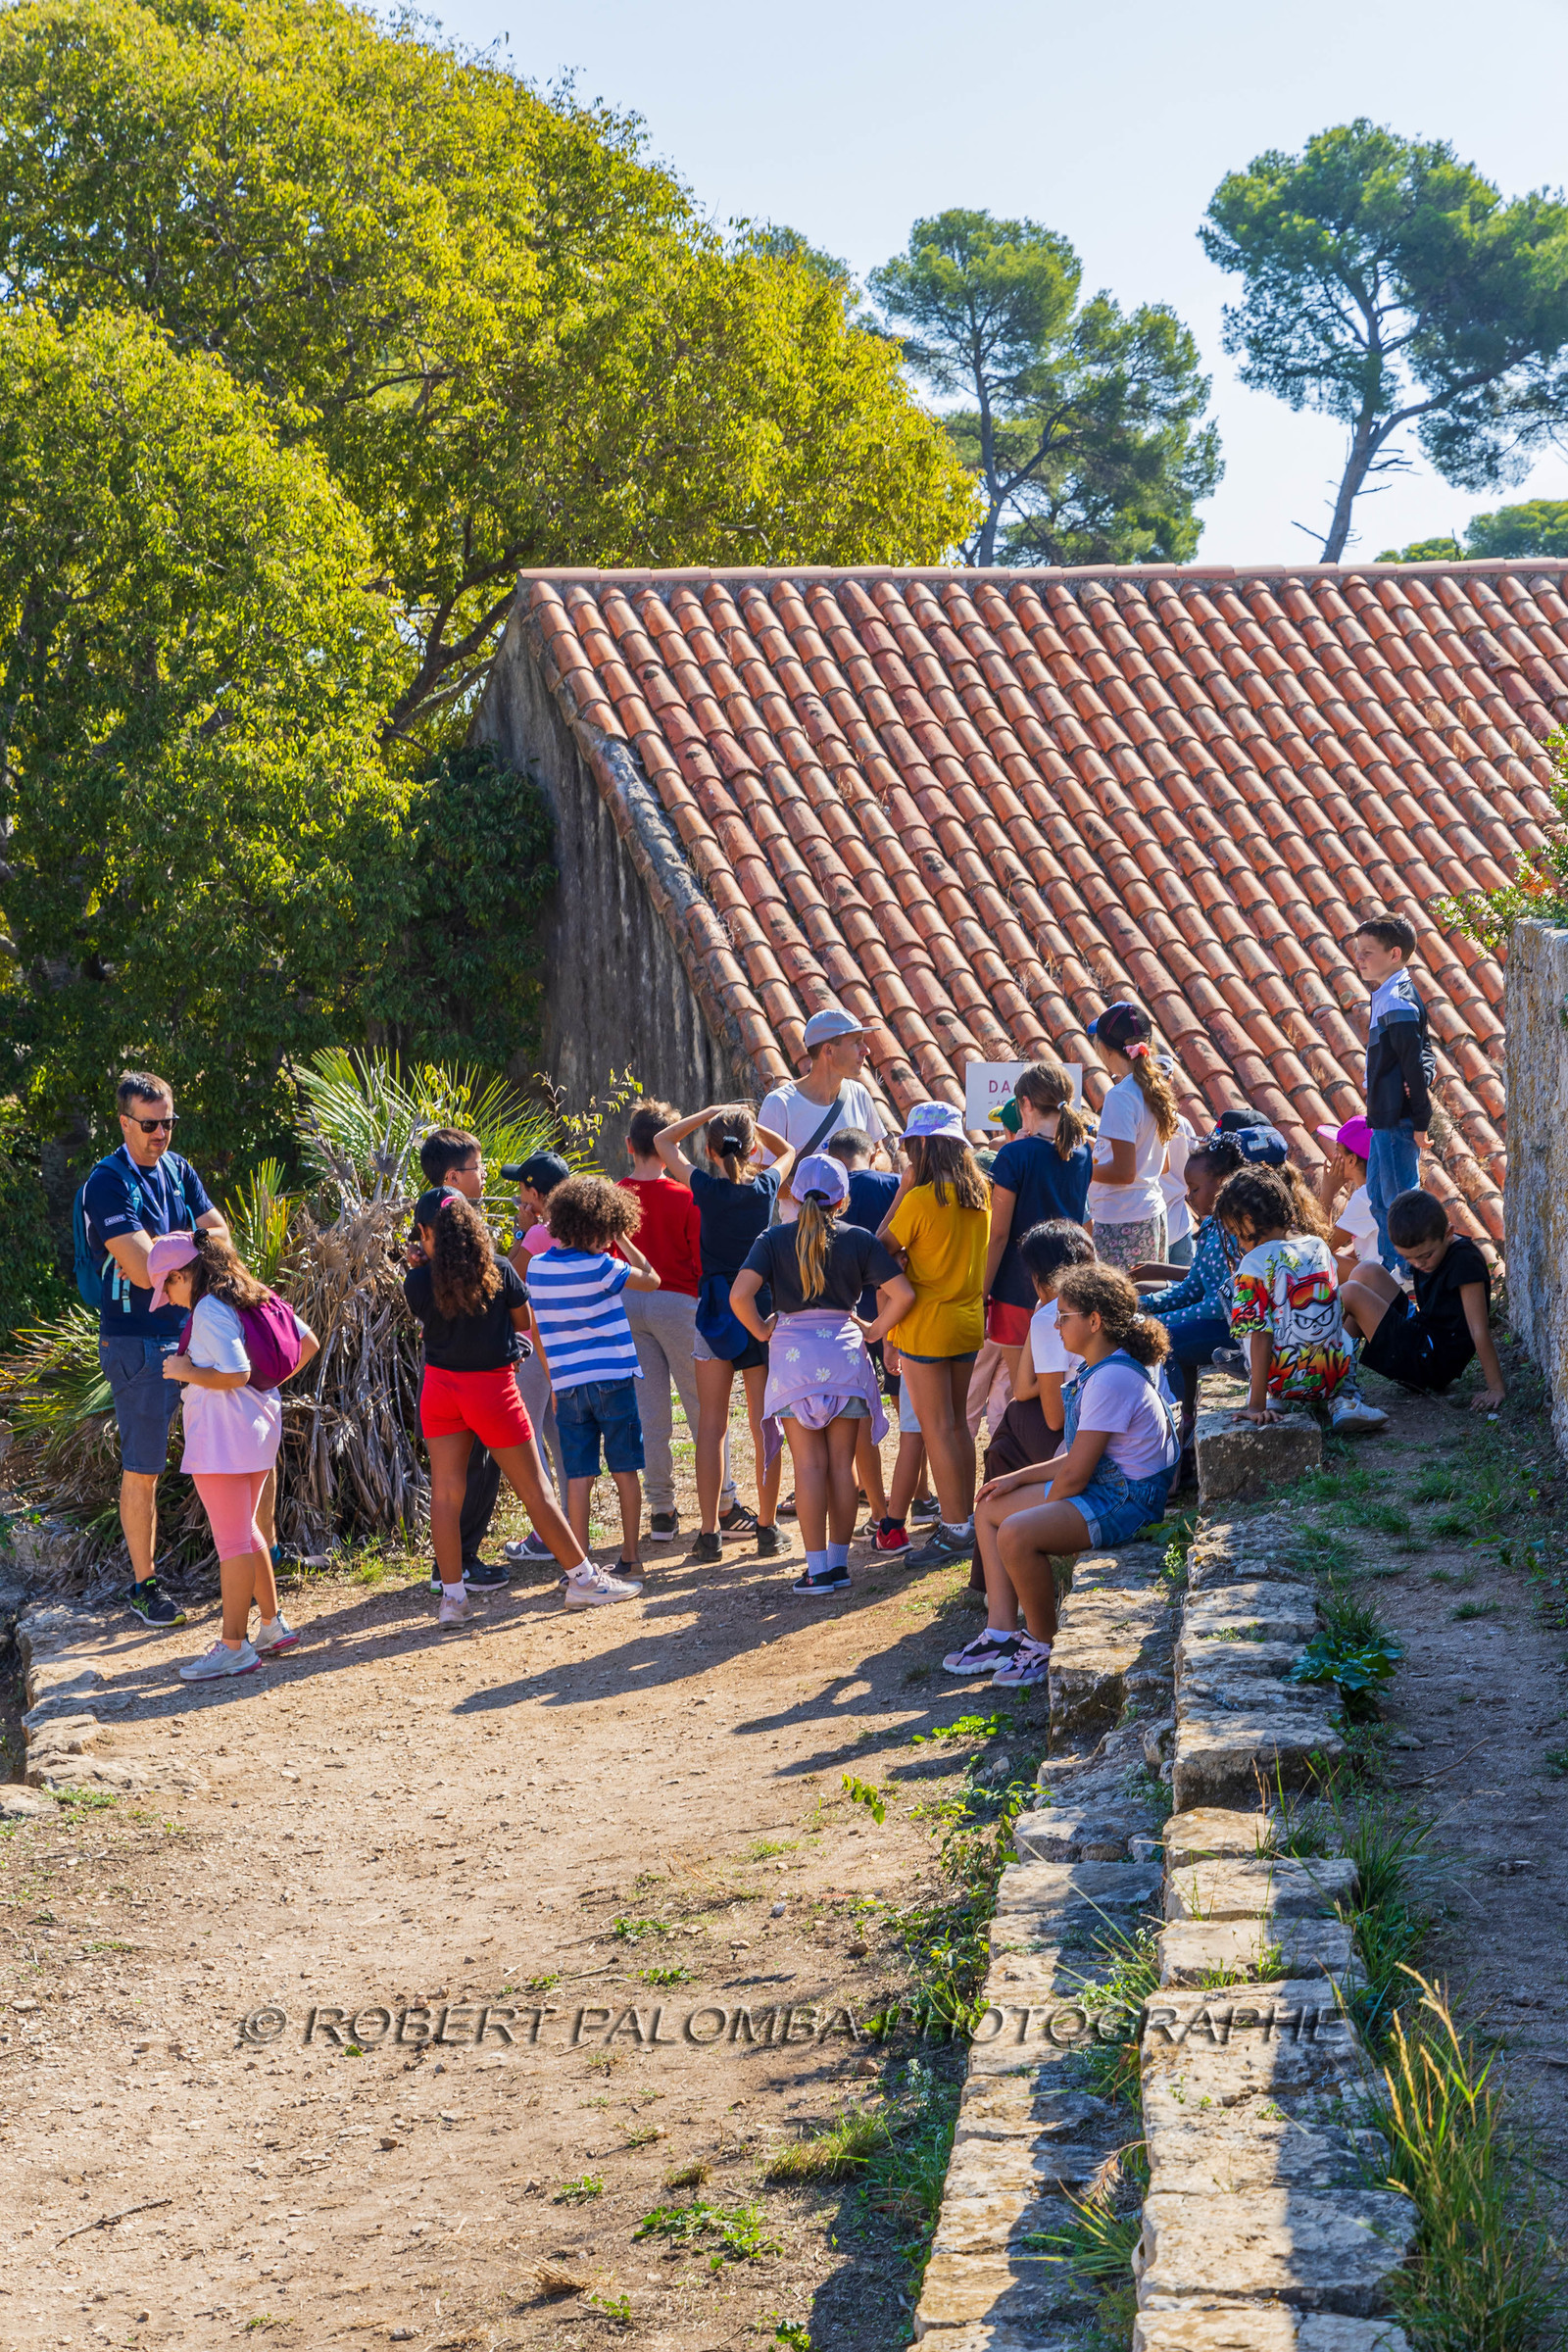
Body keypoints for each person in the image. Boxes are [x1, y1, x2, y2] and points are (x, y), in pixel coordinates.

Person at [947, 1265, 1180, 1688]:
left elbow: (1076, 1473)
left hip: (1126, 1502)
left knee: (1016, 1534)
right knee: (990, 1506)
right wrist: (1018, 1480)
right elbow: (1077, 1457)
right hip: (1108, 1487)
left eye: (1064, 1315)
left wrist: (1036, 1514)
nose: (1055, 1325)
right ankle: (1001, 1632)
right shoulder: (1101, 1368)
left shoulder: (1111, 1378)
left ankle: (1041, 1642)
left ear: (1094, 1321)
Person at [405, 1192, 610, 1619]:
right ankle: (584, 1580)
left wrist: (421, 1268)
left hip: (441, 1389)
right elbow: (523, 1324)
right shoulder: (498, 1271)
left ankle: (453, 1598)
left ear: (426, 1234)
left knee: (445, 1494)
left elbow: (431, 1313)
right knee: (536, 1489)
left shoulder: (418, 1282)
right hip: (492, 1390)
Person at [81, 1070, 230, 1628]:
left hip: (196, 1329)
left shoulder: (179, 1169)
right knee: (144, 1468)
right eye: (150, 1124)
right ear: (125, 1123)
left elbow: (225, 1236)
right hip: (136, 1341)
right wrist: (199, 1246)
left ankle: (244, 1558)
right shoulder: (107, 1182)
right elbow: (146, 1272)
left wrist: (186, 1247)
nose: (162, 1133)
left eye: (168, 1121)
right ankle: (144, 1586)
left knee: (223, 1450)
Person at [730, 1153, 912, 1597]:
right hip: (846, 1358)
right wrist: (873, 1330)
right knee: (841, 1466)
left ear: (792, 1194)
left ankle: (815, 1572)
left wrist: (762, 1328)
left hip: (794, 1361)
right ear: (843, 1199)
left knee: (808, 1466)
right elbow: (903, 1294)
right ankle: (838, 1564)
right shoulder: (861, 1240)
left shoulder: (772, 1239)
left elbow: (740, 1295)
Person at [147, 1232, 318, 1678]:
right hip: (260, 1431)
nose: (167, 1299)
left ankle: (233, 1646)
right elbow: (309, 1343)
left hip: (221, 1440)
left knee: (232, 1543)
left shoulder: (207, 1308)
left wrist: (187, 1371)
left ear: (183, 1274)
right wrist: (268, 1383)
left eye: (167, 1286)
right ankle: (271, 1625)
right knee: (246, 1531)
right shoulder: (253, 1292)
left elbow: (236, 1372)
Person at [655, 1104, 796, 1560]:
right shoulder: (765, 1188)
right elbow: (788, 1149)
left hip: (714, 1313)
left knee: (711, 1428)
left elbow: (662, 1143)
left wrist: (709, 1113)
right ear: (751, 1148)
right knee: (764, 1426)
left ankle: (710, 1533)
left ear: (710, 1152)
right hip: (759, 1311)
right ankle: (769, 1528)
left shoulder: (705, 1188)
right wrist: (753, 1126)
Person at [528, 1175, 661, 1584]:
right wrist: (625, 1240)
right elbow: (652, 1278)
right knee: (625, 1469)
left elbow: (541, 1332)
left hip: (567, 1385)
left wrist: (553, 1382)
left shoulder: (536, 1268)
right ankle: (630, 1557)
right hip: (614, 1380)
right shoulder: (604, 1266)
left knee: (578, 1476)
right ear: (602, 1226)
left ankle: (580, 1568)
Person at [619, 1099, 739, 1542]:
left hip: (631, 1302)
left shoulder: (615, 1194)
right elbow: (698, 1256)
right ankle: (724, 1501)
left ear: (629, 1144)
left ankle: (662, 1509)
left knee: (651, 1414)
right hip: (679, 1301)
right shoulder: (688, 1194)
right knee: (705, 1410)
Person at [881, 1102, 991, 1569]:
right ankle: (962, 1520)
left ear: (923, 1145)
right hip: (967, 1323)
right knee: (957, 1427)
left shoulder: (921, 1200)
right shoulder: (980, 1194)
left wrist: (901, 1192)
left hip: (927, 1327)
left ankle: (955, 1529)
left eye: (909, 1146)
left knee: (937, 1429)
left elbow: (876, 1251)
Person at [407, 1128, 512, 1592]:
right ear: (452, 1176)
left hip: (453, 1377)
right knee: (469, 1470)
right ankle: (457, 1563)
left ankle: (458, 1565)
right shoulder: (441, 1227)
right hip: (468, 1378)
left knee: (473, 1469)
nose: (484, 1176)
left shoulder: (435, 1226)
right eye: (476, 1168)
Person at [1215, 1166, 1386, 1434]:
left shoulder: (1252, 1264)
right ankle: (1345, 1401)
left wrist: (1256, 1406)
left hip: (1283, 1380)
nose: (1238, 1243)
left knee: (1231, 1291)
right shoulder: (1318, 1246)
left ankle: (1269, 1395)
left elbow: (1260, 1333)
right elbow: (1333, 1314)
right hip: (1332, 1375)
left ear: (1249, 1220)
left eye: (1237, 1233)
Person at [980, 1062, 1094, 1385]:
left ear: (1025, 1104)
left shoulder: (1014, 1155)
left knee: (1023, 1388)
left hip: (1017, 1286)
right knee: (1060, 1383)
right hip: (1066, 1287)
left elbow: (999, 1235)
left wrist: (981, 1295)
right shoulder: (1082, 1152)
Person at [1340, 1190, 1504, 1409]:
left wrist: (1495, 1387)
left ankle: (1333, 1377)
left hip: (1432, 1362)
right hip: (1422, 1333)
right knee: (1366, 1271)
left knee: (1351, 1293)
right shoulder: (1427, 1252)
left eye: (1425, 1256)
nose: (1419, 1264)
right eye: (1409, 1258)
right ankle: (1337, 1367)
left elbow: (1479, 1329)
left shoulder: (1465, 1261)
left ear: (1448, 1233)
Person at [1135, 1133, 1248, 1436]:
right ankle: (1184, 1416)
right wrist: (1143, 1306)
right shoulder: (1212, 1226)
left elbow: (1222, 1302)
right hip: (1211, 1320)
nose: (1189, 1196)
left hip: (1233, 1328)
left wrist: (1159, 1321)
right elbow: (1192, 1287)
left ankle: (1177, 1422)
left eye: (1195, 1189)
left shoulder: (1238, 1232)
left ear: (1224, 1182)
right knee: (1158, 1330)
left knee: (1163, 1340)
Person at [495, 1150, 572, 1567]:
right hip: (563, 1344)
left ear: (537, 1194)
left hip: (532, 1345)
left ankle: (545, 1532)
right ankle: (570, 1523)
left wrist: (524, 1232)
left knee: (531, 1437)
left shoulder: (540, 1234)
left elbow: (509, 1276)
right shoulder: (574, 1228)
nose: (518, 1197)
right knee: (558, 1434)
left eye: (522, 1188)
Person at [981, 1220, 1098, 1483]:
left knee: (1013, 1418)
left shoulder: (1051, 1315)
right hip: (1148, 1453)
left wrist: (1039, 1317)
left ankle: (992, 1511)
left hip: (1091, 1450)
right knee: (1008, 1434)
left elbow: (1047, 1412)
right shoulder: (1105, 1295)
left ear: (1039, 1277)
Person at [1348, 914, 1433, 1275]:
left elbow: (1414, 1064)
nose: (1360, 959)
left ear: (1395, 953)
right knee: (1381, 1201)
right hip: (1383, 1117)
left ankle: (1408, 1272)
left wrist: (1420, 1121)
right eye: (1358, 951)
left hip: (1397, 1119)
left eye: (1368, 952)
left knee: (1400, 1202)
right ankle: (1391, 1268)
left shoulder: (1396, 1001)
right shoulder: (1386, 995)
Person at [827, 1127, 900, 1527]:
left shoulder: (822, 1199)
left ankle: (878, 1508)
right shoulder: (894, 1186)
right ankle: (919, 1495)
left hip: (848, 1318)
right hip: (896, 1311)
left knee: (861, 1421)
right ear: (873, 1153)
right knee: (909, 1412)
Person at [759, 1004, 887, 1218]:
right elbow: (763, 1181)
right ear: (828, 1050)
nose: (866, 1050)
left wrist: (860, 1173)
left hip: (856, 1237)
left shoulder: (859, 1094)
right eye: (857, 1043)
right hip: (802, 1240)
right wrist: (820, 1189)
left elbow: (881, 1153)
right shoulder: (780, 1105)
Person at [1084, 1003, 1181, 1272]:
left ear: (1103, 1048)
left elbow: (1125, 1172)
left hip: (1121, 1221)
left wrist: (1082, 1168)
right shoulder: (1155, 1088)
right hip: (1151, 1215)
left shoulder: (1121, 1096)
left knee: (1118, 1307)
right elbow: (1162, 1165)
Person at [1315, 1115, 1381, 1288]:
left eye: (1338, 1150)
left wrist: (1327, 1192)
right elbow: (1363, 1245)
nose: (1333, 1156)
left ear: (1351, 1160)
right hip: (1392, 1278)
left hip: (1385, 1282)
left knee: (1316, 1264)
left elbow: (1319, 1249)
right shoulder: (1381, 1187)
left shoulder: (1365, 1196)